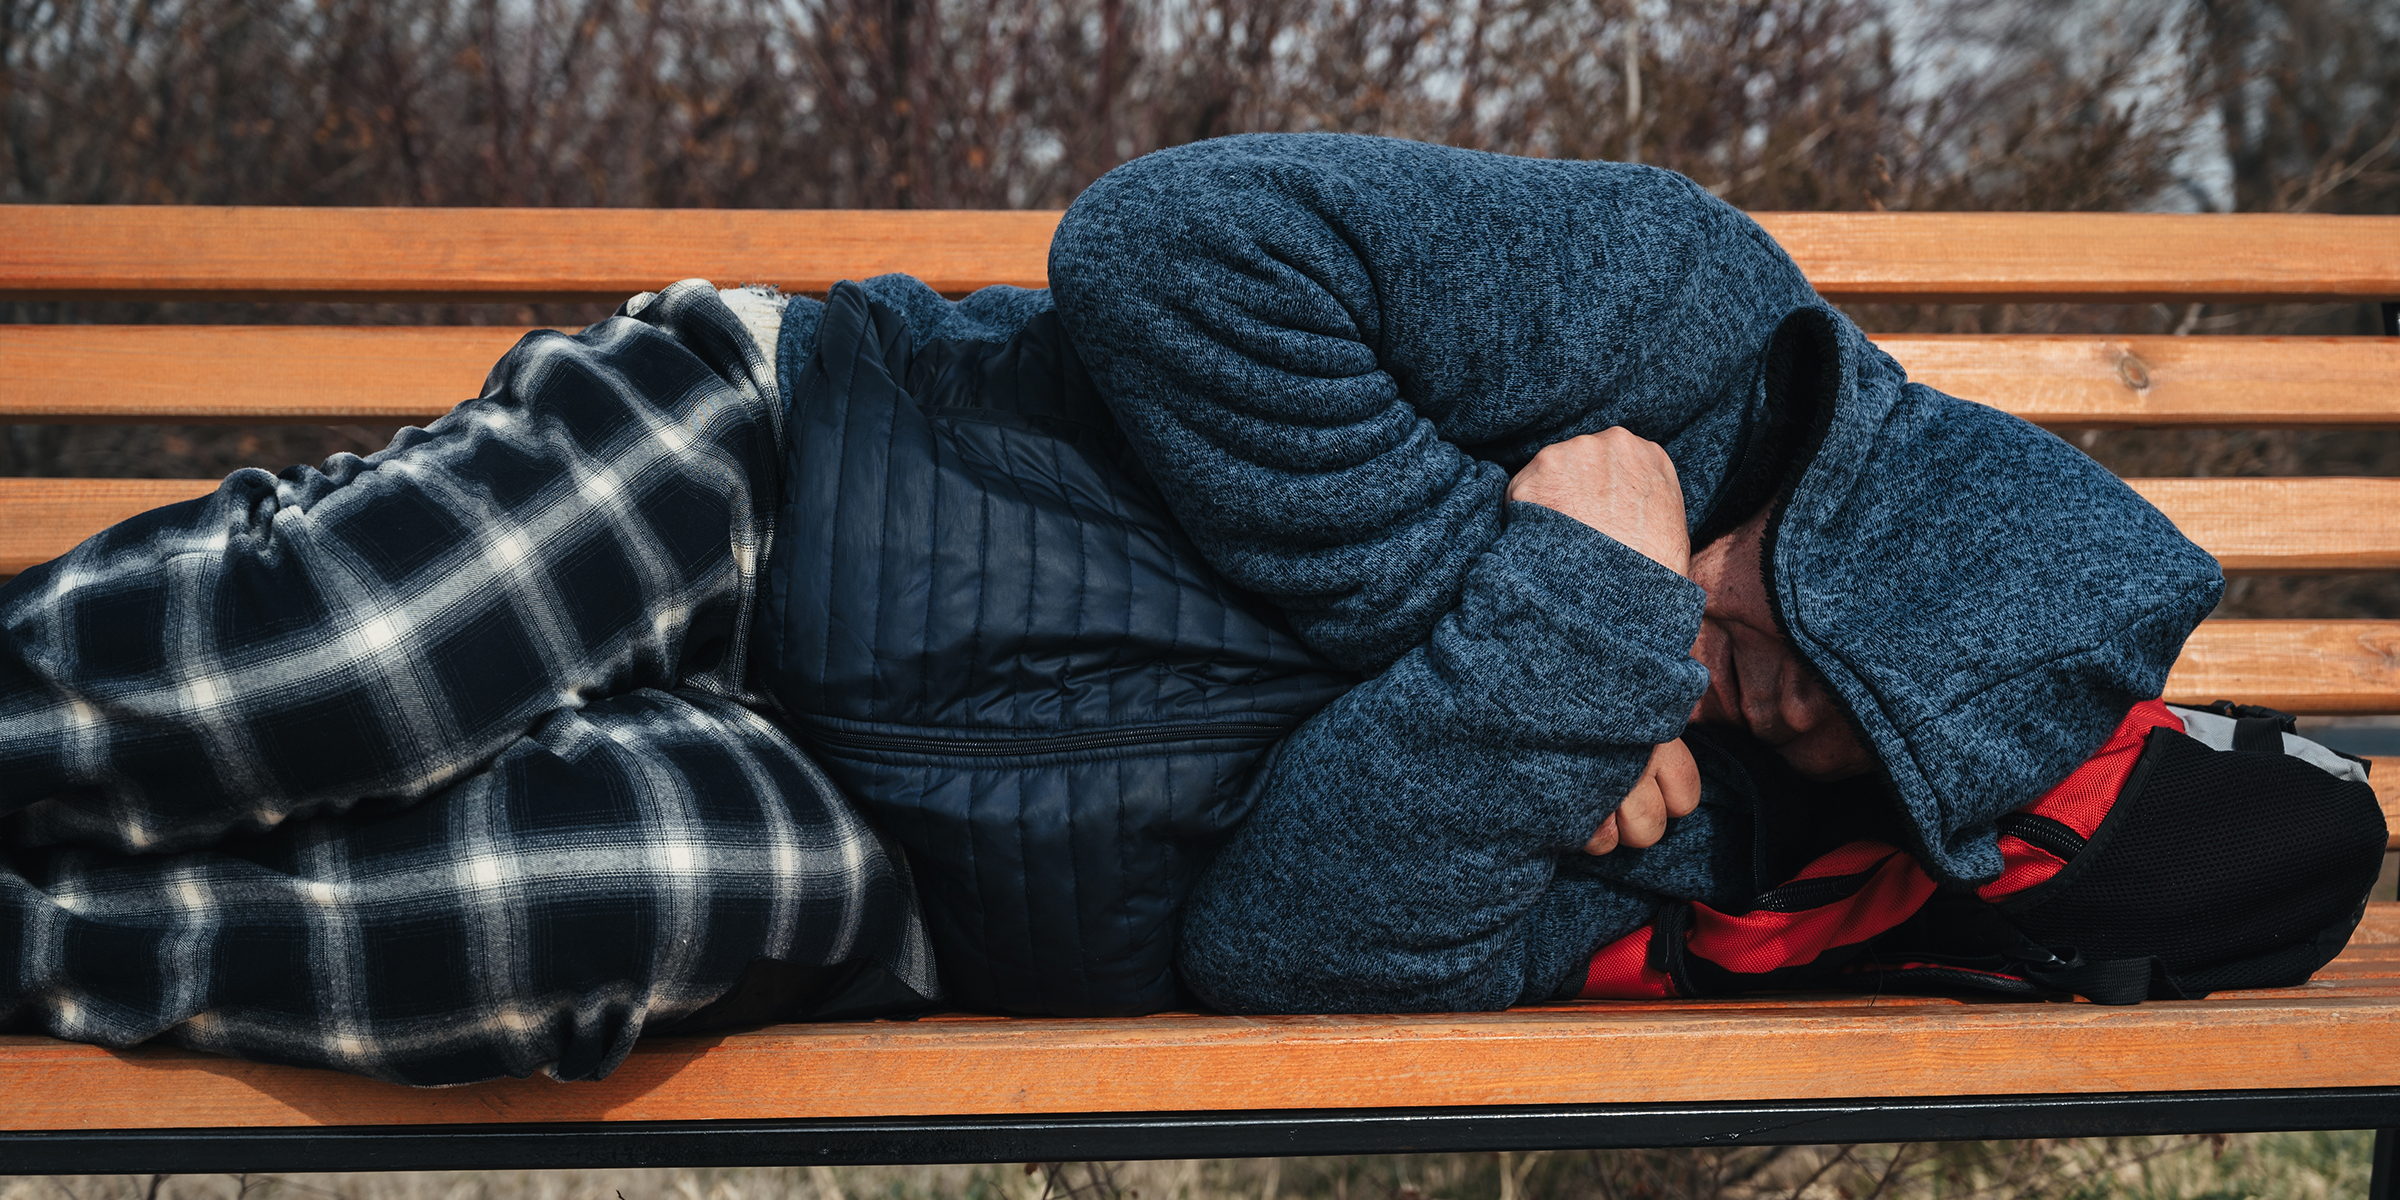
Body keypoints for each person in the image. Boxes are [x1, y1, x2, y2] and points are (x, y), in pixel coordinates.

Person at [0, 132, 2327, 1081]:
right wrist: (1514, 560)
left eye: (1810, 743)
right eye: (1778, 639)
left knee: (589, 913)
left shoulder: (1685, 851)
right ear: (1864, 521)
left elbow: (1296, 957)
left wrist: (1566, 636)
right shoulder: (1682, 312)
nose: (1745, 702)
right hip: (787, 460)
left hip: (875, 864)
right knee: (345, 670)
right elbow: (1172, 247)